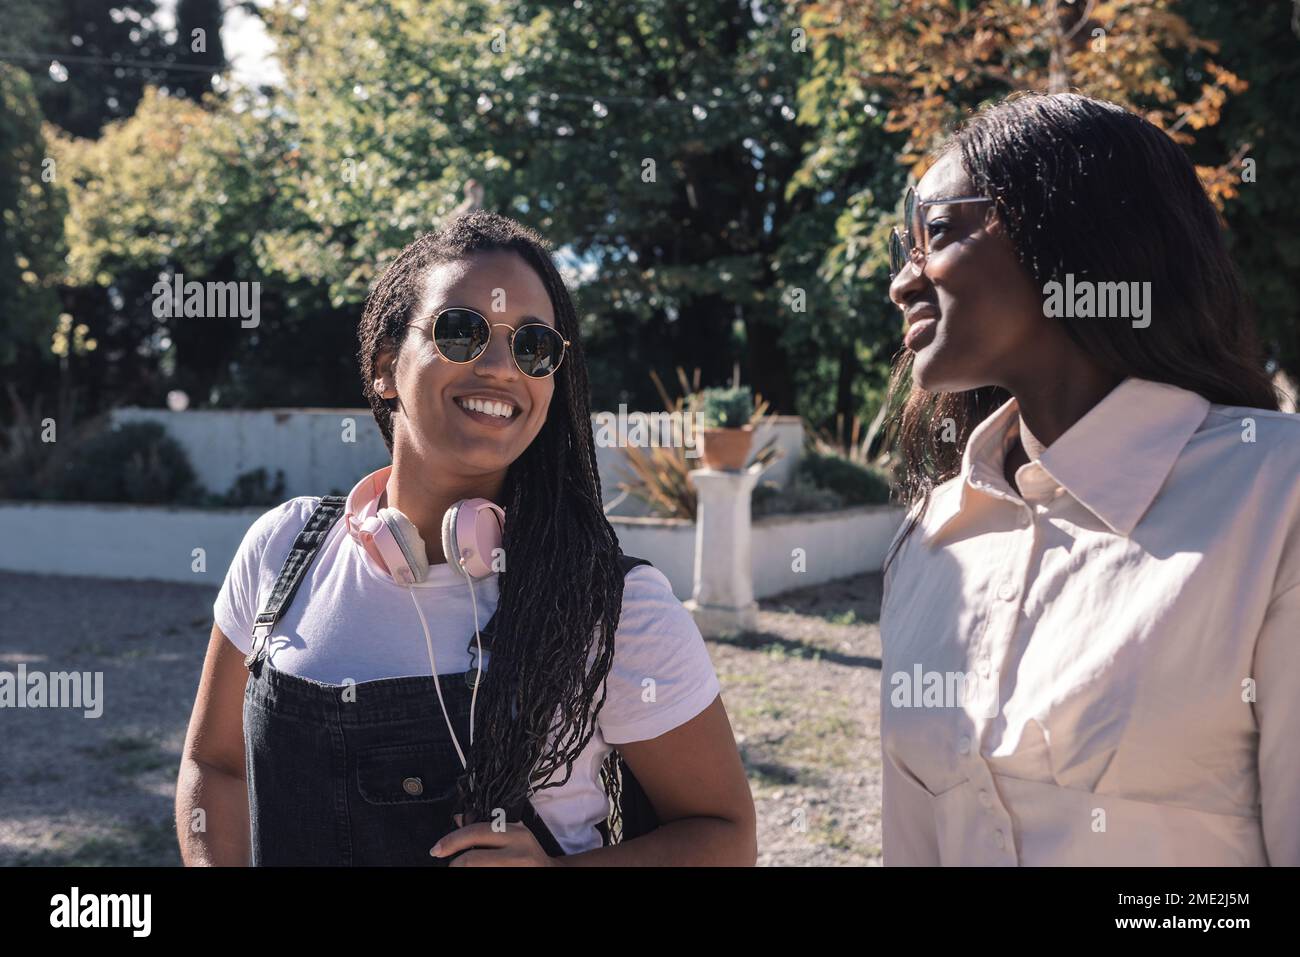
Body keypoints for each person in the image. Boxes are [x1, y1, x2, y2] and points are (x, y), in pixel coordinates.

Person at [176, 210, 756, 866]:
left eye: (534, 345)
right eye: (461, 331)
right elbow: (214, 764)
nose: (503, 366)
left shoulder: (616, 607)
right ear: (384, 366)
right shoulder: (282, 550)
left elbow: (724, 836)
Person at [879, 91, 1300, 866]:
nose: (903, 283)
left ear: (1074, 232)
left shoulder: (1278, 497)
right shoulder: (930, 537)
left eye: (933, 233)